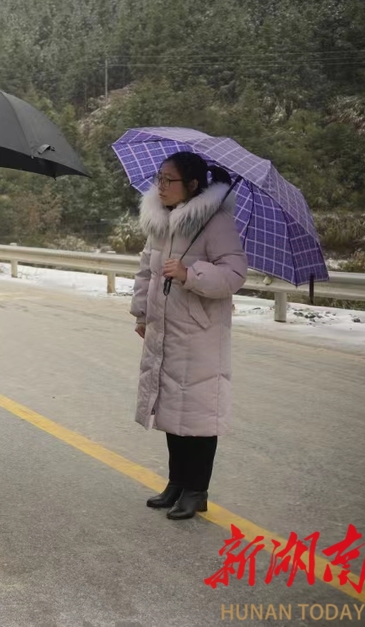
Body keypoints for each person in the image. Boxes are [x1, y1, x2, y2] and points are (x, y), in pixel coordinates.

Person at [131, 152, 246, 520]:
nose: (160, 186)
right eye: (159, 178)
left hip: (199, 333)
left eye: (169, 180)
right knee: (171, 410)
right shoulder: (160, 222)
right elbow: (146, 271)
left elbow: (234, 275)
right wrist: (142, 313)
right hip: (165, 329)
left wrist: (188, 273)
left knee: (197, 415)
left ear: (193, 185)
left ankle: (197, 490)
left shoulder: (216, 223)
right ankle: (177, 483)